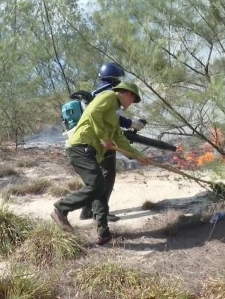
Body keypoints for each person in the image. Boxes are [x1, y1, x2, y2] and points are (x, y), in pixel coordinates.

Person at [51, 81, 151, 245]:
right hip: (81, 147)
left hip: (91, 153)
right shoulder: (109, 96)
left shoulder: (113, 113)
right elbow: (93, 113)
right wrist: (104, 136)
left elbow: (119, 138)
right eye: (133, 100)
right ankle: (60, 209)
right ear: (128, 94)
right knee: (97, 185)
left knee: (100, 188)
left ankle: (103, 234)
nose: (131, 104)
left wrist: (138, 155)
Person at [79, 63, 146, 222]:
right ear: (116, 78)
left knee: (95, 177)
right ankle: (101, 213)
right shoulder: (109, 93)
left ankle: (87, 211)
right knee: (107, 175)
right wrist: (131, 124)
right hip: (102, 141)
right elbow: (114, 117)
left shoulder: (95, 92)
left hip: (90, 140)